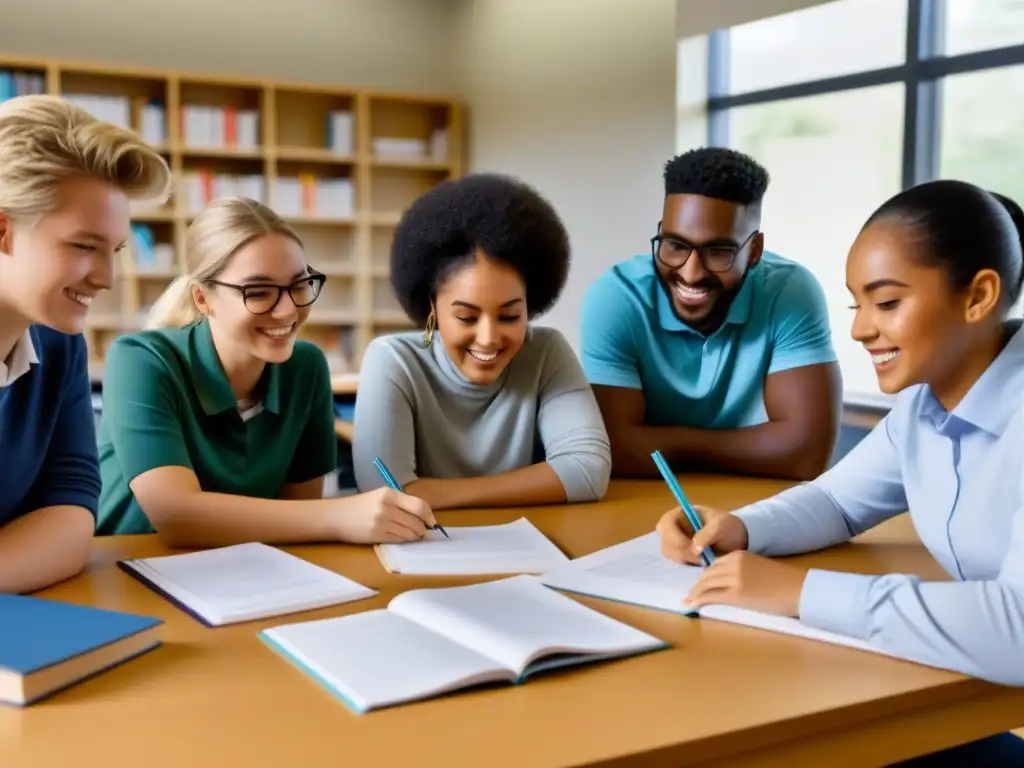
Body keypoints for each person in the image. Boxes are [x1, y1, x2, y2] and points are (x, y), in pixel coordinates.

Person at [657, 180, 1024, 765]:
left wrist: (798, 592)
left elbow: (1018, 631)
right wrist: (740, 529)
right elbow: (839, 502)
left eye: (887, 303)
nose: (859, 330)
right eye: (858, 305)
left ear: (978, 295)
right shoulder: (923, 406)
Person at [95, 197, 435, 546]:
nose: (287, 311)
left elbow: (300, 518)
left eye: (299, 285)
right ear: (202, 299)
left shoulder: (305, 367)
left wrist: (333, 520)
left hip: (246, 572)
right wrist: (342, 515)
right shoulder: (140, 361)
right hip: (127, 567)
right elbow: (177, 516)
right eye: (258, 292)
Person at [580, 147, 842, 481]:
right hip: (645, 496)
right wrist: (761, 443)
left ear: (754, 251)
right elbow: (610, 449)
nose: (690, 273)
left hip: (755, 501)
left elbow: (806, 455)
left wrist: (666, 445)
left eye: (718, 252)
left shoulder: (791, 292)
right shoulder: (616, 297)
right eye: (675, 245)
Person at [352, 173, 611, 510]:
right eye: (466, 317)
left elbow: (588, 471)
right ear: (433, 307)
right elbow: (383, 491)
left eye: (509, 316)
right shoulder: (393, 360)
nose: (488, 339)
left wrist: (431, 493)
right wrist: (542, 481)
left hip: (532, 544)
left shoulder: (547, 352)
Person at [0, 94, 172, 592]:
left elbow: (70, 519)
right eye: (84, 246)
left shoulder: (58, 345)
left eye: (115, 249)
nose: (108, 278)